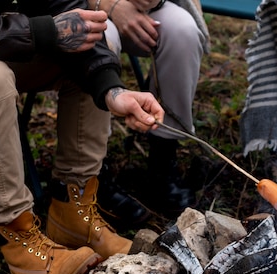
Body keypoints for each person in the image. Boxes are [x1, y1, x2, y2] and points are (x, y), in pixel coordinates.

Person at [0, 1, 165, 274]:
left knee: (79, 59)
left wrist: (111, 89)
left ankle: (72, 211)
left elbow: (70, 9)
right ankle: (17, 238)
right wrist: (40, 31)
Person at [86, 0, 207, 221]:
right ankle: (92, 173)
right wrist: (110, 5)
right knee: (99, 40)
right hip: (81, 8)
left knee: (182, 31)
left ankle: (163, 159)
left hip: (142, 8)